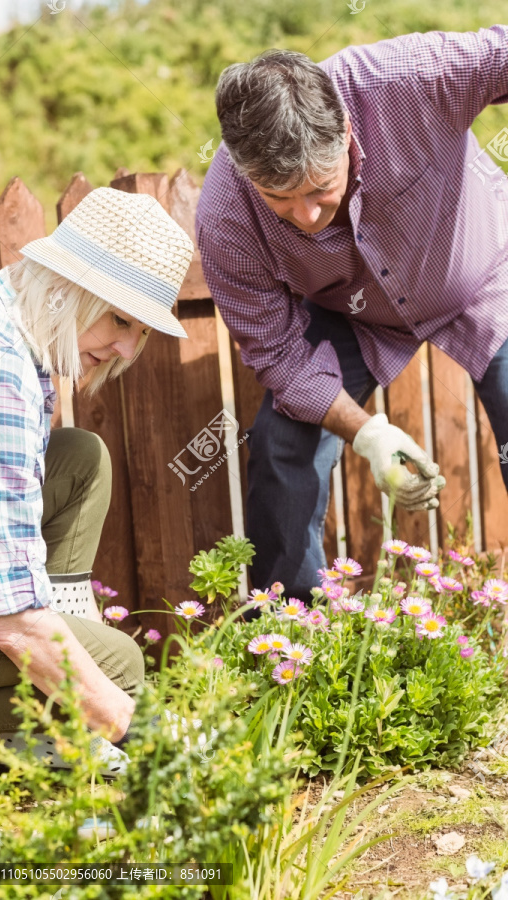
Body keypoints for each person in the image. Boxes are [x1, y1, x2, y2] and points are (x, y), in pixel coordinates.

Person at [196, 30, 508, 602]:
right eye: (280, 200)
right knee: (280, 443)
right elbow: (277, 357)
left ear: (345, 132)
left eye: (321, 189)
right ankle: (298, 638)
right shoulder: (225, 217)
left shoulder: (406, 79)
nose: (307, 216)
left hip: (486, 271)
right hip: (353, 310)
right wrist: (366, 433)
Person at [0, 187, 194, 775]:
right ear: (66, 285)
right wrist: (138, 733)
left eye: (141, 330)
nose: (126, 348)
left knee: (78, 459)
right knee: (115, 666)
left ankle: (49, 707)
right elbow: (15, 628)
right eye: (120, 318)